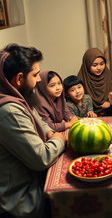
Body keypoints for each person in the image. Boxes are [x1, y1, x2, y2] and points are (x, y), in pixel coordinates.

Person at [0, 44, 66, 217]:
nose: (39, 80)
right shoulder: (9, 111)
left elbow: (39, 121)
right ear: (19, 78)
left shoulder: (18, 96)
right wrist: (59, 139)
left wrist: (49, 133)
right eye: (35, 75)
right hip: (21, 201)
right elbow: (41, 157)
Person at [77, 48, 112, 116]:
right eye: (94, 65)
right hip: (90, 118)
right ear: (87, 65)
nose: (99, 68)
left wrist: (110, 103)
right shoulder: (80, 80)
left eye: (102, 64)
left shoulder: (109, 76)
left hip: (111, 114)